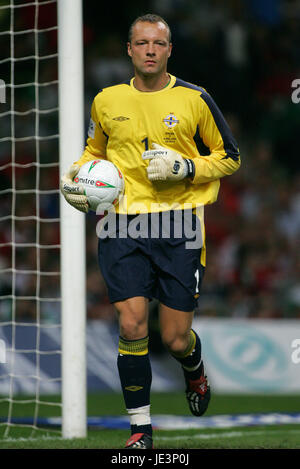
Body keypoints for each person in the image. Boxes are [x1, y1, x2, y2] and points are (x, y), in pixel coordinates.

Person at [60, 14, 241, 449]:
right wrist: (81, 175)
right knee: (132, 323)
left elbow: (230, 156)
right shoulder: (106, 100)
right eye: (141, 43)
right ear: (129, 49)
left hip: (178, 224)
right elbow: (93, 150)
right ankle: (140, 429)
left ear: (169, 50)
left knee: (175, 336)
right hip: (121, 223)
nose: (149, 50)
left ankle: (193, 371)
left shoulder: (196, 99)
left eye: (157, 43)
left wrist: (187, 166)